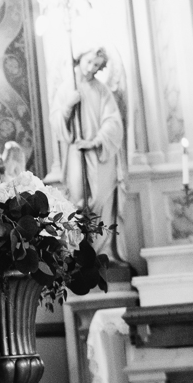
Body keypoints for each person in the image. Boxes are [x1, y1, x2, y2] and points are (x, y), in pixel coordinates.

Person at [46, 47, 123, 259]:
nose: (91, 68)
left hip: (99, 155)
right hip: (76, 153)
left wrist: (96, 141)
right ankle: (79, 252)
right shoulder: (66, 89)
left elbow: (113, 122)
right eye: (89, 62)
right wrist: (68, 107)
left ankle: (101, 253)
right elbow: (56, 122)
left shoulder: (101, 90)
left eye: (97, 65)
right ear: (80, 58)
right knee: (78, 200)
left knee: (99, 198)